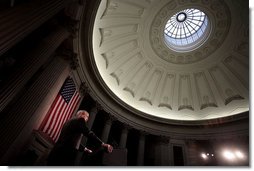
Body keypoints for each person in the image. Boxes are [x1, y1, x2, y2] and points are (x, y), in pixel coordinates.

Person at [47, 110, 113, 166]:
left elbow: (71, 139)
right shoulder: (80, 120)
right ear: (82, 114)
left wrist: (85, 149)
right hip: (65, 155)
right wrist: (102, 143)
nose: (87, 120)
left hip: (56, 151)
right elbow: (88, 133)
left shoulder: (69, 121)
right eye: (87, 117)